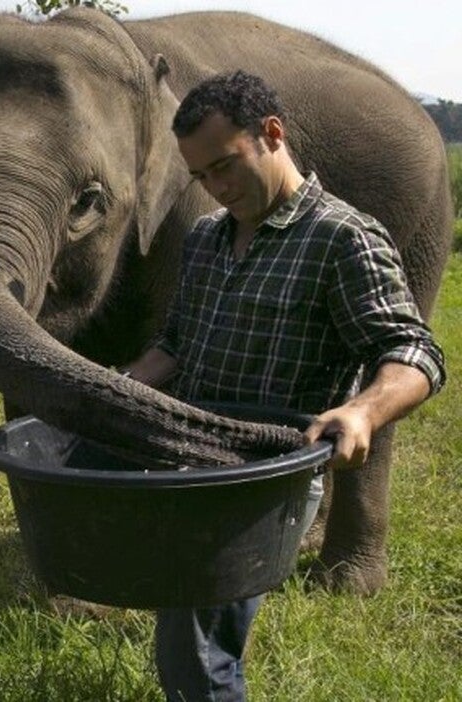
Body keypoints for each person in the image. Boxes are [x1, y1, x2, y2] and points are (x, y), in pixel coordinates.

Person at [120, 72, 446, 701]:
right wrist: (119, 386)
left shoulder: (342, 238)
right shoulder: (206, 239)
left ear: (272, 134)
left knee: (197, 646)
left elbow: (414, 351)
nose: (215, 188)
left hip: (267, 481)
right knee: (192, 633)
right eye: (201, 177)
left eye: (225, 165)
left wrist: (362, 412)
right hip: (199, 463)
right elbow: (176, 345)